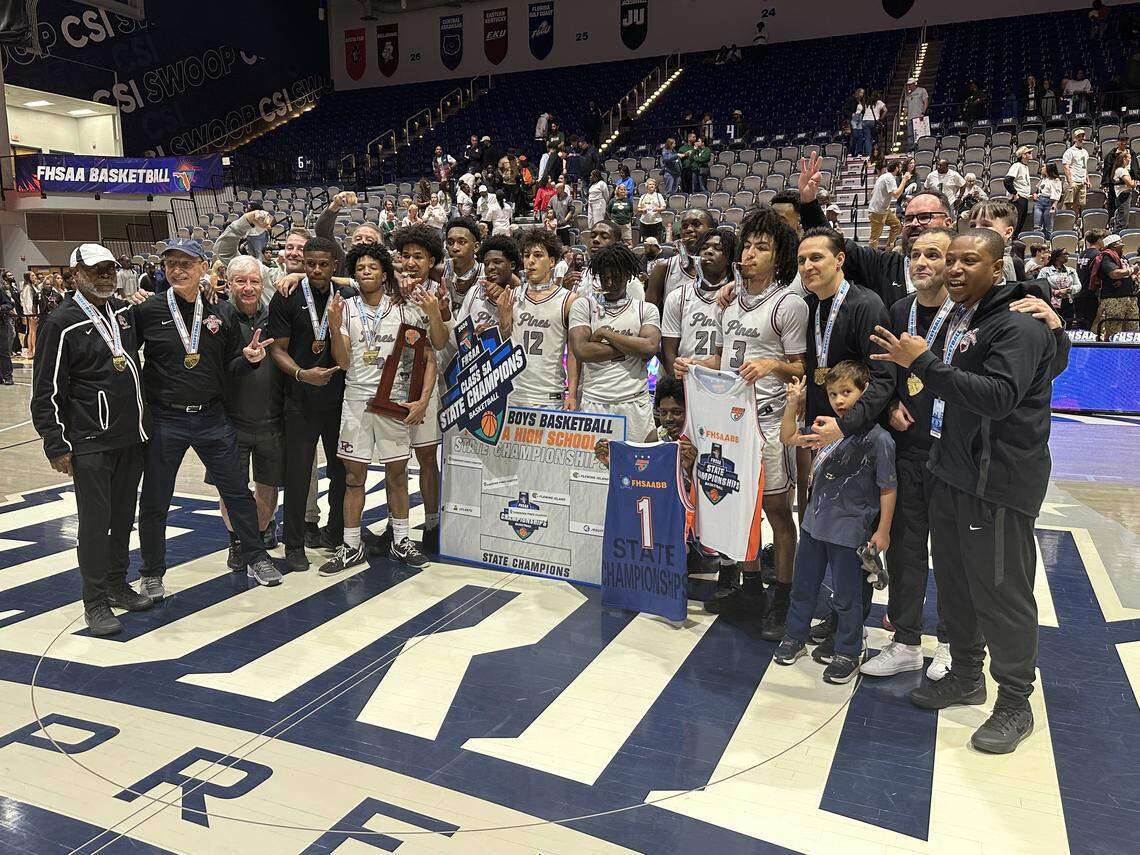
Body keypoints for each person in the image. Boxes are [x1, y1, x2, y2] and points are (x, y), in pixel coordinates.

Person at [870, 228, 1068, 754]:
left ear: (996, 268)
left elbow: (1001, 397)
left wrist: (923, 364)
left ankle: (1015, 702)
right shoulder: (968, 317)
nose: (954, 269)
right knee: (955, 585)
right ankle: (964, 675)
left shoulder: (1018, 322)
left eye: (969, 261)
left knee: (1002, 593)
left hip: (999, 481)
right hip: (954, 470)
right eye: (950, 259)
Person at [677, 209, 808, 638]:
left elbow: (801, 369)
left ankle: (784, 598)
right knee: (740, 508)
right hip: (730, 424)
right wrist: (693, 365)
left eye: (762, 247)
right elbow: (722, 357)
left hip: (768, 424)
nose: (750, 254)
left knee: (774, 510)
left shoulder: (789, 305)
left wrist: (772, 363)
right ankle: (751, 587)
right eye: (748, 245)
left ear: (779, 258)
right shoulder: (728, 301)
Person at [135, 239, 280, 597]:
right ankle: (152, 571)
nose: (177, 271)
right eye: (171, 264)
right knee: (155, 499)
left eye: (186, 263)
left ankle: (255, 555)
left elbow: (230, 365)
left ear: (203, 268)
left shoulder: (222, 312)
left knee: (237, 493)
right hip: (166, 419)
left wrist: (247, 359)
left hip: (212, 418)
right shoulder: (148, 311)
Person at [31, 244, 153, 635]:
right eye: (97, 270)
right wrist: (55, 442)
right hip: (90, 441)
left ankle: (118, 584)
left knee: (121, 520)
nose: (105, 276)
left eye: (110, 269)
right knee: (95, 524)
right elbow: (46, 390)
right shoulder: (60, 323)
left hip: (130, 438)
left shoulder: (123, 313)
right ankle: (95, 601)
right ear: (75, 275)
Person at [862, 228, 955, 680]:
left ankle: (956, 642)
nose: (920, 262)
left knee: (954, 553)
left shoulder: (967, 315)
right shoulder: (900, 310)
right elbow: (887, 372)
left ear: (951, 262)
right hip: (909, 450)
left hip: (954, 453)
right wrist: (893, 401)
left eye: (932, 255)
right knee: (905, 550)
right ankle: (905, 641)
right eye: (915, 254)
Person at [774, 362, 896, 683]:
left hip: (849, 532)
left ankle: (848, 649)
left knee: (846, 597)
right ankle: (794, 636)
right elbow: (787, 437)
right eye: (832, 394)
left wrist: (883, 530)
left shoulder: (879, 439)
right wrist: (791, 403)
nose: (840, 400)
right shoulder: (826, 429)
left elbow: (888, 487)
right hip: (814, 527)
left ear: (865, 391)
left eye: (847, 392)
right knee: (803, 588)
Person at [320, 242, 433, 575]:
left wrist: (423, 399)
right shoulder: (345, 308)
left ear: (385, 273)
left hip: (393, 402)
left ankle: (400, 540)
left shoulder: (403, 309)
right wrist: (332, 323)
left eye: (372, 267)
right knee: (353, 478)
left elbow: (426, 358)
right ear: (353, 274)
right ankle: (352, 545)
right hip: (356, 401)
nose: (365, 271)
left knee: (397, 475)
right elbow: (341, 361)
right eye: (359, 268)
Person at [268, 236, 356, 572]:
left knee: (339, 471)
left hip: (338, 400)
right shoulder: (287, 295)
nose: (316, 270)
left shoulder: (348, 295)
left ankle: (335, 534)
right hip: (300, 399)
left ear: (334, 265)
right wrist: (303, 374)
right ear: (303, 264)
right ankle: (293, 544)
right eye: (310, 264)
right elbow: (277, 349)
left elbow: (380, 277)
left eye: (323, 264)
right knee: (298, 474)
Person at [204, 256, 286, 564]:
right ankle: (237, 541)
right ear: (229, 282)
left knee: (267, 486)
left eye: (254, 281)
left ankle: (259, 536)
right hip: (228, 422)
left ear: (262, 284)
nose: (248, 287)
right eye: (241, 281)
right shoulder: (216, 316)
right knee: (230, 488)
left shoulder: (276, 316)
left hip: (272, 421)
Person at [568, 244, 661, 442]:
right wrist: (630, 348)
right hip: (595, 401)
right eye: (604, 277)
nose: (609, 283)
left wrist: (605, 333)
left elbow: (649, 348)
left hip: (634, 401)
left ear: (628, 275)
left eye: (615, 277)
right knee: (592, 471)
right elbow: (582, 350)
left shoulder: (646, 309)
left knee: (638, 469)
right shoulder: (583, 305)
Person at [511, 229, 578, 409]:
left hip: (549, 395)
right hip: (513, 392)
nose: (530, 261)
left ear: (551, 262)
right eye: (526, 255)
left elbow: (573, 353)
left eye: (538, 255)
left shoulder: (568, 300)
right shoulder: (512, 296)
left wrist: (572, 394)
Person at [660, 228, 735, 380]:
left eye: (718, 248)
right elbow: (669, 351)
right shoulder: (677, 296)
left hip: (727, 379)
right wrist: (677, 383)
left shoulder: (737, 296)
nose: (708, 251)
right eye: (704, 248)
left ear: (729, 258)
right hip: (687, 379)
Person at [645, 209, 715, 310]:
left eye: (696, 224)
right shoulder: (663, 268)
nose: (689, 229)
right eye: (684, 226)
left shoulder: (724, 267)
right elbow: (649, 315)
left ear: (711, 231)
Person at [1091, 233, 1139, 339]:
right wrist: (1131, 270)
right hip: (1114, 300)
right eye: (1120, 243)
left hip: (1129, 298)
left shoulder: (1122, 257)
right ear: (1113, 245)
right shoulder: (1106, 256)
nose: (1123, 245)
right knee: (1114, 334)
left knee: (1133, 334)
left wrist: (1133, 277)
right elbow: (1114, 273)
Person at [867, 160, 909, 250]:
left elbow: (872, 193)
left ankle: (888, 249)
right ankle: (871, 259)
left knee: (897, 226)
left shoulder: (883, 176)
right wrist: (904, 180)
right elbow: (896, 194)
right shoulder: (890, 178)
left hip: (883, 209)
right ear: (897, 168)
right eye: (900, 167)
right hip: (877, 211)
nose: (901, 169)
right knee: (874, 238)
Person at [1038, 249, 1081, 326]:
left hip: (1068, 303)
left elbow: (1078, 286)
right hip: (1051, 304)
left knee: (1067, 327)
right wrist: (1055, 292)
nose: (1067, 255)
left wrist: (1068, 290)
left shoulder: (1071, 270)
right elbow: (1040, 285)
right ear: (1057, 257)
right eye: (1065, 254)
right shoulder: (1045, 271)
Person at [1062, 129, 1091, 217]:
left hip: (1082, 182)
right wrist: (1071, 182)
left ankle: (1073, 224)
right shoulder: (1070, 151)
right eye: (1078, 137)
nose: (1081, 138)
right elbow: (1065, 167)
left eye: (1082, 136)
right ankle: (1063, 222)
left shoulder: (1085, 152)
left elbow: (1084, 167)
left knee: (1078, 205)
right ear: (1074, 139)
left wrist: (1087, 180)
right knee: (1067, 204)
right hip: (1073, 181)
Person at [1006, 146, 1034, 238]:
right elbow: (1007, 181)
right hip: (1018, 198)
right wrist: (1014, 193)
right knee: (1016, 222)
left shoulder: (1024, 166)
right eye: (1029, 153)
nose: (1031, 154)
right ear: (1023, 155)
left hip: (1024, 198)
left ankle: (1014, 239)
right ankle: (1011, 240)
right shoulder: (1017, 166)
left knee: (1021, 221)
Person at [1035, 163, 1063, 239]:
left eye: (1043, 167)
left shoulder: (1056, 180)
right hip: (1039, 202)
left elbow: (1057, 193)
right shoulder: (1043, 179)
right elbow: (1039, 190)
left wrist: (1054, 205)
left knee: (1048, 227)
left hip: (1049, 203)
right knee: (1037, 226)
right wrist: (1036, 194)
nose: (1042, 169)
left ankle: (1048, 244)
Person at [1112, 150, 1137, 231]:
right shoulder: (1121, 170)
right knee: (1122, 223)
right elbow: (1131, 184)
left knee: (1124, 222)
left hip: (1125, 196)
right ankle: (1115, 240)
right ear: (1124, 159)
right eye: (1129, 158)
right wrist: (1135, 182)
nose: (1130, 160)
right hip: (1123, 197)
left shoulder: (1124, 170)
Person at [904, 78, 929, 147]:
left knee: (920, 134)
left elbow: (926, 102)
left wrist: (923, 112)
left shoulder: (922, 90)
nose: (909, 86)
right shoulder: (908, 95)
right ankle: (912, 149)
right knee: (910, 135)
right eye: (908, 85)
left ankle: (921, 148)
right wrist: (904, 117)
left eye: (910, 84)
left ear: (914, 84)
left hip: (918, 116)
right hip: (910, 117)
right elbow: (906, 107)